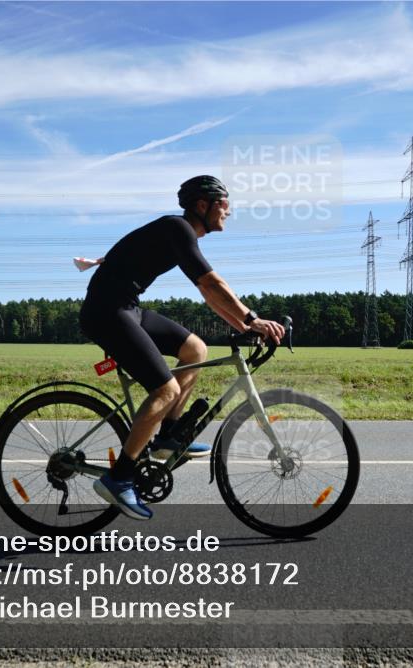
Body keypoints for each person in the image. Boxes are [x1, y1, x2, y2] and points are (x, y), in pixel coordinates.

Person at [79, 175, 285, 520]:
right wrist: (252, 319)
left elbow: (208, 294)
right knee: (165, 388)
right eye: (224, 204)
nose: (229, 212)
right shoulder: (178, 229)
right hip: (106, 312)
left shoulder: (179, 233)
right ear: (202, 206)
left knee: (195, 350)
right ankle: (119, 477)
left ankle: (168, 436)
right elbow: (211, 282)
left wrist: (247, 329)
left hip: (126, 306)